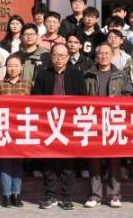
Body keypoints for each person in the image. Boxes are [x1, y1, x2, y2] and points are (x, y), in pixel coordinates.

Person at [33, 43, 87, 210]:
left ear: (68, 57)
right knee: (48, 162)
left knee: (68, 163)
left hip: (69, 124)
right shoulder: (43, 74)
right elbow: (36, 98)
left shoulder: (77, 75)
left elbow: (83, 98)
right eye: (56, 55)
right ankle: (50, 196)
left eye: (63, 55)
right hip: (48, 123)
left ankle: (67, 197)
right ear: (51, 56)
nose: (59, 58)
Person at [83, 43, 133, 208]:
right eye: (100, 53)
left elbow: (128, 94)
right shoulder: (88, 74)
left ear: (112, 55)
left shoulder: (121, 75)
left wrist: (117, 102)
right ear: (96, 56)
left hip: (114, 121)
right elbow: (81, 96)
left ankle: (114, 195)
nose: (103, 56)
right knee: (94, 160)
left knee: (114, 159)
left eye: (106, 53)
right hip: (94, 121)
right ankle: (95, 195)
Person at [0, 53, 34, 208]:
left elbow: (35, 106)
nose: (13, 69)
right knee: (4, 162)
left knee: (18, 162)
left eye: (16, 66)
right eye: (10, 65)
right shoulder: (0, 85)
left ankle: (16, 194)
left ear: (21, 67)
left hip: (22, 128)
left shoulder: (28, 85)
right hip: (4, 127)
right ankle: (6, 194)